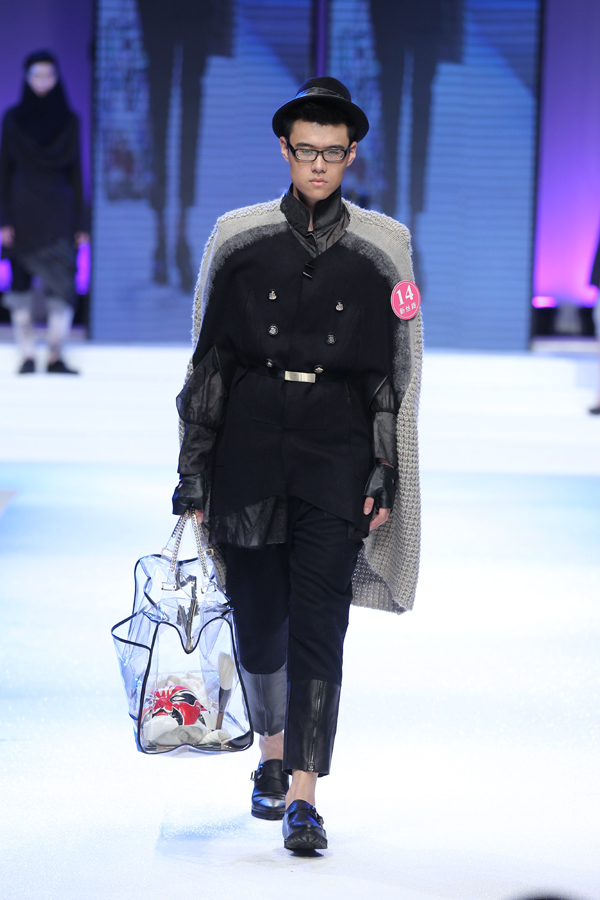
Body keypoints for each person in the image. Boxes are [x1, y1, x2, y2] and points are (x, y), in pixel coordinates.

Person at [172, 77, 422, 852]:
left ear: (352, 155)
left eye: (332, 152)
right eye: (306, 150)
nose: (318, 164)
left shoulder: (383, 246)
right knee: (258, 618)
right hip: (249, 444)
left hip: (337, 448)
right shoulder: (238, 237)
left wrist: (387, 468)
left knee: (321, 620)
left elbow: (396, 373)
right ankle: (270, 757)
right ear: (285, 149)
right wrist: (193, 470)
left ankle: (305, 795)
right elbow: (209, 361)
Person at [0, 50, 87, 375]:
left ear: (56, 77)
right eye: (37, 75)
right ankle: (26, 353)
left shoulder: (69, 120)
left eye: (48, 75)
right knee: (20, 284)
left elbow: (76, 172)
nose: (43, 81)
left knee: (61, 283)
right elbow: (3, 171)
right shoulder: (13, 119)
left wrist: (81, 220)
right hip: (21, 209)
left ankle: (54, 354)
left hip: (57, 210)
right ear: (27, 78)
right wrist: (4, 219)